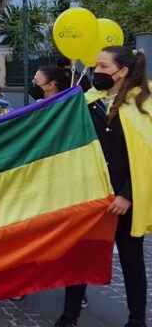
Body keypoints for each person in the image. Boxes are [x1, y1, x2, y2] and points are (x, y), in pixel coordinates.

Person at [55, 47, 151, 327]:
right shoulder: (86, 101)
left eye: (103, 67)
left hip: (124, 201)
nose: (96, 72)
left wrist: (127, 195)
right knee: (81, 258)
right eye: (95, 66)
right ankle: (69, 316)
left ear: (122, 72)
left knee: (132, 263)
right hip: (91, 197)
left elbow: (148, 155)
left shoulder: (143, 106)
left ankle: (136, 320)